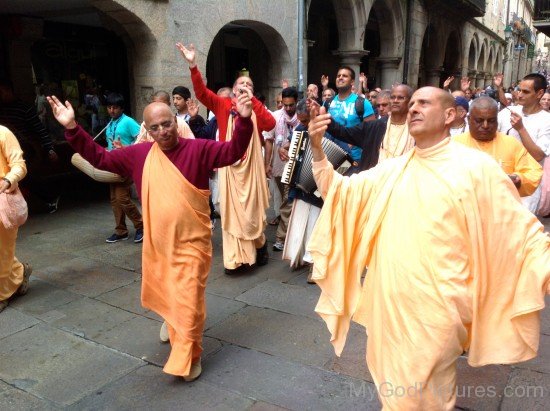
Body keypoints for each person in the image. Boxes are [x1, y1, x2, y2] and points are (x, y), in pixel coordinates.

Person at [306, 86, 550, 410]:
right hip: (390, 302)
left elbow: (520, 229)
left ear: (449, 115)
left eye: (424, 103)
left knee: (428, 391)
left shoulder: (477, 168)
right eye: (412, 104)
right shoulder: (393, 168)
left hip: (441, 306)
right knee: (396, 390)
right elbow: (340, 194)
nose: (413, 109)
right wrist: (318, 151)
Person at [47, 87, 255, 381]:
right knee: (171, 294)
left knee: (190, 300)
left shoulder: (200, 149)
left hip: (193, 243)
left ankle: (188, 356)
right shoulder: (139, 154)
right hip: (159, 243)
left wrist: (244, 121)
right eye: (155, 127)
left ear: (176, 121)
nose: (163, 131)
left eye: (167, 123)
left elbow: (234, 151)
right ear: (147, 130)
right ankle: (171, 318)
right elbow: (101, 159)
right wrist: (72, 127)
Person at [178, 41, 275, 275]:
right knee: (231, 213)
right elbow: (201, 93)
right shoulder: (222, 105)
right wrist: (193, 66)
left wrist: (253, 103)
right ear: (232, 89)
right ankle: (236, 260)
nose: (244, 86)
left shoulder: (257, 107)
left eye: (249, 84)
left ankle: (259, 247)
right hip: (229, 166)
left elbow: (270, 124)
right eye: (241, 83)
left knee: (251, 212)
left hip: (251, 168)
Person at [454, 96, 542, 197]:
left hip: (502, 208)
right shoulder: (454, 144)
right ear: (469, 119)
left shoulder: (511, 143)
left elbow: (534, 172)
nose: (485, 126)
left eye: (491, 121)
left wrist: (517, 179)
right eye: (479, 120)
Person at [325, 84, 415, 171]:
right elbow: (344, 132)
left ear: (410, 102)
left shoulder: (418, 130)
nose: (395, 100)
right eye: (392, 97)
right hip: (374, 182)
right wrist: (324, 119)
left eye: (400, 98)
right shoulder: (374, 127)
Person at [498, 73, 550, 213]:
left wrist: (521, 129)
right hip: (499, 182)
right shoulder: (506, 113)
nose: (519, 95)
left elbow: (538, 155)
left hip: (527, 189)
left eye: (526, 92)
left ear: (539, 93)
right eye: (519, 90)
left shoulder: (546, 120)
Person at [103, 92, 143, 243]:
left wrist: (126, 148)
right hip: (112, 164)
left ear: (121, 108)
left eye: (115, 108)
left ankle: (141, 225)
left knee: (122, 197)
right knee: (114, 199)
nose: (112, 110)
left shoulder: (128, 121)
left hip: (125, 163)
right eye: (109, 107)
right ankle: (121, 230)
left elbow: (142, 138)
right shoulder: (110, 122)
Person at [0, 125, 32, 313]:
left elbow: (19, 165)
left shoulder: (3, 133)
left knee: (2, 250)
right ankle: (20, 271)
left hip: (3, 199)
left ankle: (2, 295)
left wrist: (8, 180)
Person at [264, 87, 300, 252]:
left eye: (291, 105)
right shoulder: (275, 116)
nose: (287, 108)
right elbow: (269, 141)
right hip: (279, 166)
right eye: (285, 105)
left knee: (287, 201)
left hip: (298, 167)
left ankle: (280, 237)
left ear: (296, 102)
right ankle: (291, 235)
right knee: (287, 202)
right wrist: (267, 163)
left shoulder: (302, 116)